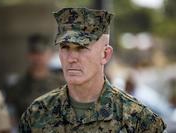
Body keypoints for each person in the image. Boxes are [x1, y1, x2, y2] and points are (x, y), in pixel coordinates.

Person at [19, 8, 166, 132]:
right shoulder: (37, 114)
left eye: (81, 48)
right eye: (65, 47)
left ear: (105, 54)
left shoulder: (138, 120)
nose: (71, 58)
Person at [6, 34, 65, 120]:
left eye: (42, 53)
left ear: (50, 55)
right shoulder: (16, 86)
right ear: (28, 55)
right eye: (34, 53)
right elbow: (10, 117)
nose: (38, 58)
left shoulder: (62, 84)